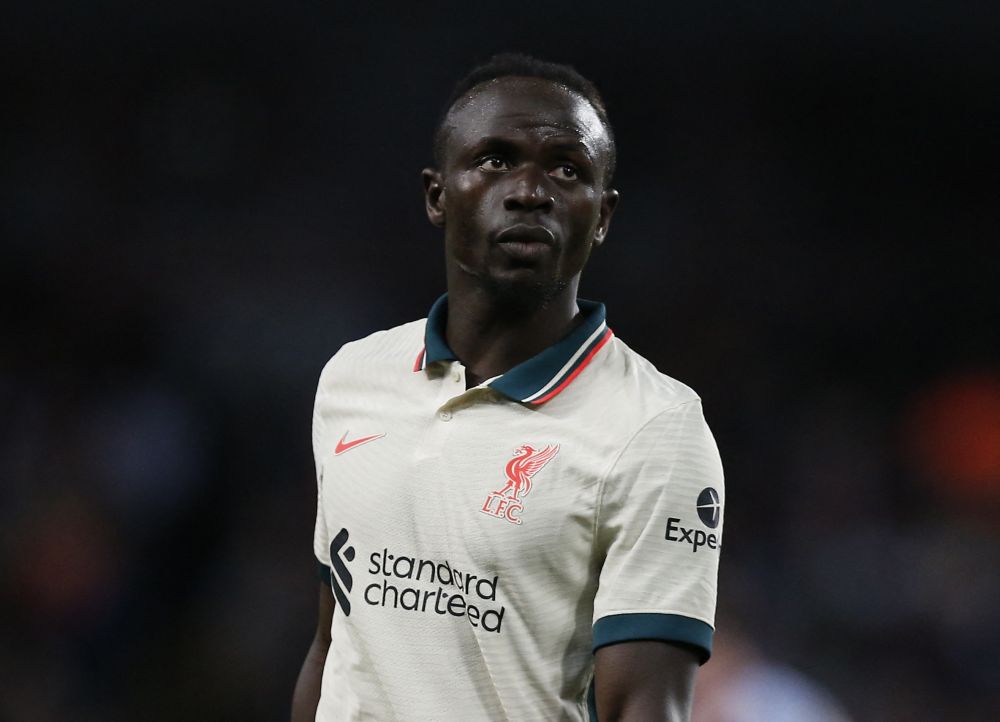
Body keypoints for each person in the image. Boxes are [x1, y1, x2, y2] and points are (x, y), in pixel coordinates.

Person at [291, 53, 725, 722]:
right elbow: (332, 647)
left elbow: (645, 708)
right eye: (495, 160)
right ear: (437, 196)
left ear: (603, 217)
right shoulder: (354, 376)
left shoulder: (656, 429)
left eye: (567, 169)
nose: (529, 191)